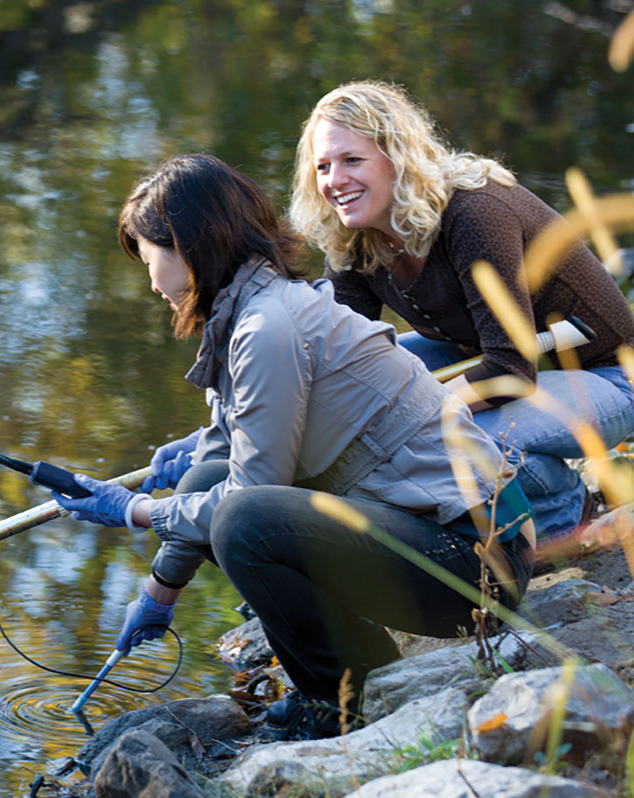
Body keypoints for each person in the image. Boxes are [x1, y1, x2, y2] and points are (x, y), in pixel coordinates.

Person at [51, 153, 535, 740]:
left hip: (477, 563)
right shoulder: (252, 310)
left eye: (150, 257)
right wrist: (159, 594)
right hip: (431, 537)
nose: (151, 280)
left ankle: (344, 705)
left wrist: (133, 509)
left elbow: (250, 497)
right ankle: (356, 672)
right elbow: (217, 465)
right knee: (207, 482)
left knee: (243, 521)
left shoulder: (267, 329)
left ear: (187, 246)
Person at [288, 78, 634, 545]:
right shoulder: (355, 237)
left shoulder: (474, 213)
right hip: (500, 356)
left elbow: (510, 368)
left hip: (607, 377)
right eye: (323, 166)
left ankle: (564, 508)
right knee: (377, 376)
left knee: (445, 437)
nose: (335, 181)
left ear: (397, 156)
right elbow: (341, 363)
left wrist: (409, 412)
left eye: (352, 160)